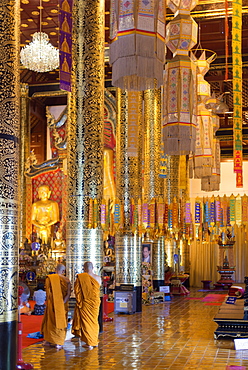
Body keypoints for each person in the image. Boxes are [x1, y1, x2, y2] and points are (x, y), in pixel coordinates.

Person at [72, 261, 101, 350]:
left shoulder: (81, 278)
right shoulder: (98, 278)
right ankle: (94, 341)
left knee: (87, 322)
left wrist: (79, 301)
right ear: (92, 268)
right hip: (95, 303)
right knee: (94, 321)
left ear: (84, 268)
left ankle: (90, 343)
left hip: (85, 303)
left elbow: (77, 291)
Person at [41, 263, 71, 349]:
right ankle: (58, 342)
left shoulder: (50, 279)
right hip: (62, 304)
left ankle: (48, 340)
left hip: (51, 304)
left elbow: (48, 293)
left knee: (50, 321)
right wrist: (61, 303)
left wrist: (54, 303)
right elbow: (68, 294)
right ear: (63, 271)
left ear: (55, 269)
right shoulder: (66, 280)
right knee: (60, 321)